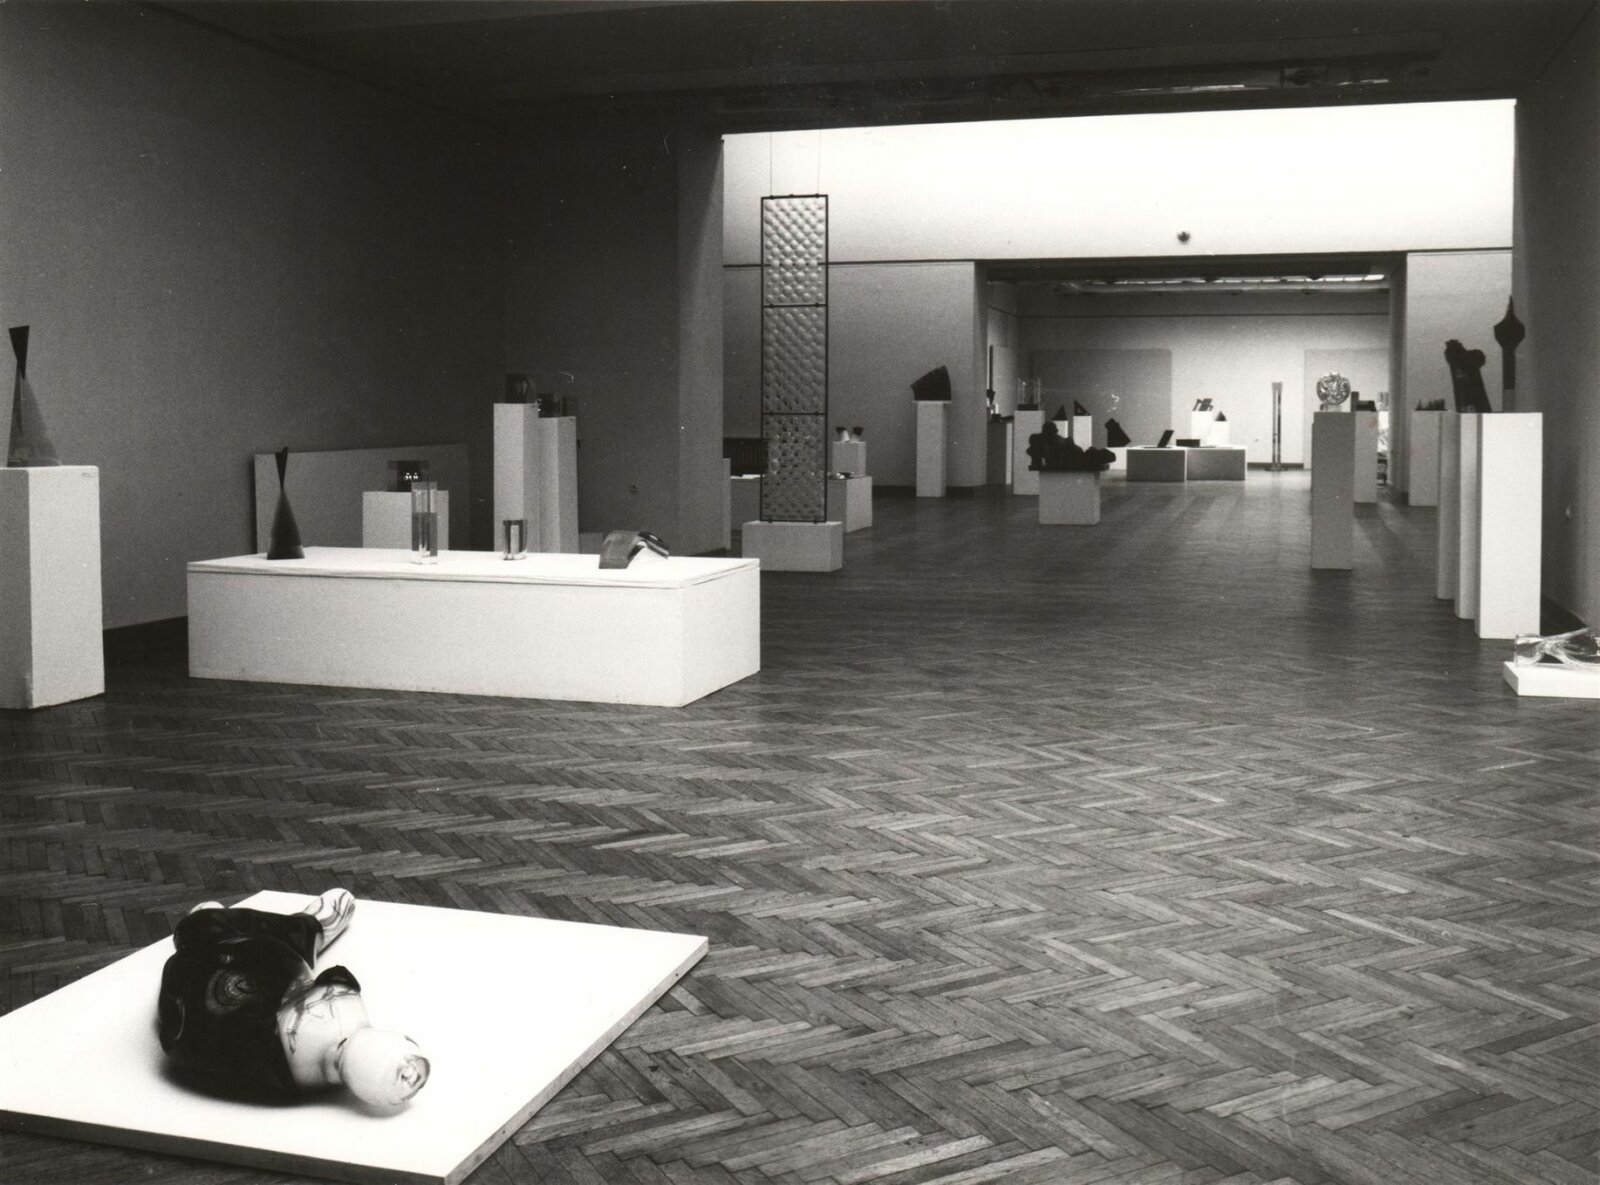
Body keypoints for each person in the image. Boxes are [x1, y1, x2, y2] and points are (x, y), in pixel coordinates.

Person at [157, 889, 429, 1109]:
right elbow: (337, 977)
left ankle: (307, 926)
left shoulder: (290, 1054)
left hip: (243, 973)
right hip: (259, 968)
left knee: (205, 926)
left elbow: (337, 977)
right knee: (220, 929)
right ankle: (309, 926)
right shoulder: (310, 1053)